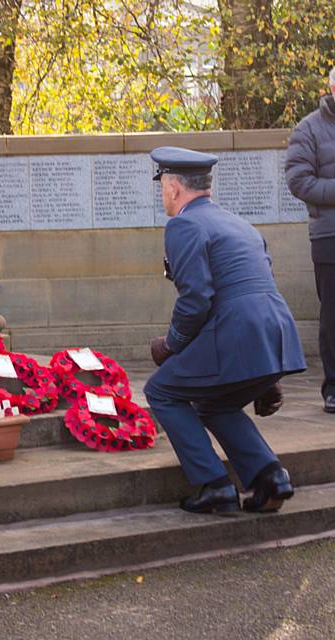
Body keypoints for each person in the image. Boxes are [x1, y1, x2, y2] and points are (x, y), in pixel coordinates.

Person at [144, 146, 306, 515]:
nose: (163, 196)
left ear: (173, 188)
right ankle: (270, 476)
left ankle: (214, 484)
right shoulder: (239, 224)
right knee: (214, 402)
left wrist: (171, 346)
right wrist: (267, 376)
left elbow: (196, 298)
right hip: (273, 332)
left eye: (162, 188)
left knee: (162, 390)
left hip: (237, 333)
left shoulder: (184, 224)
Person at [285, 68, 335, 413]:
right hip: (330, 236)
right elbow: (300, 182)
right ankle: (334, 388)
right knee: (333, 317)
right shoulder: (308, 129)